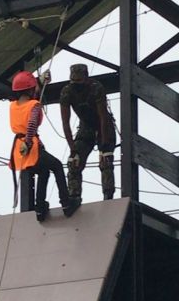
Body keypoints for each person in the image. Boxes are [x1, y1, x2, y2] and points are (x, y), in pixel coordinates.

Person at [10, 70, 77, 222]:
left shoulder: (13, 106)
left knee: (43, 172)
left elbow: (28, 92)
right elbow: (32, 124)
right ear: (30, 90)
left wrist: (40, 81)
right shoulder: (34, 105)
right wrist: (28, 142)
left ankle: (40, 209)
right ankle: (66, 203)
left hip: (18, 151)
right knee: (57, 166)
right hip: (31, 147)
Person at [60, 64, 116, 205]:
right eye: (74, 81)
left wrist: (104, 144)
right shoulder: (67, 91)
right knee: (74, 161)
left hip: (104, 126)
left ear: (86, 78)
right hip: (86, 126)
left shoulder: (96, 87)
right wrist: (73, 149)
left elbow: (103, 117)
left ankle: (108, 196)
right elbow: (65, 123)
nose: (76, 85)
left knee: (106, 159)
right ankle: (74, 196)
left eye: (79, 81)